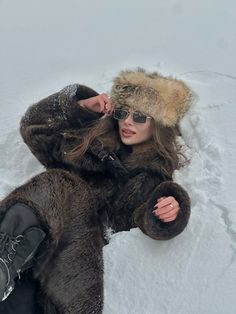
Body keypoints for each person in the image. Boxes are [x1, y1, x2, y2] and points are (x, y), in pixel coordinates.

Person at [0, 68, 194, 313]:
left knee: (61, 182)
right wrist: (81, 106)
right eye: (123, 112)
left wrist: (171, 209)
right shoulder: (88, 148)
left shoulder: (149, 177)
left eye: (140, 117)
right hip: (26, 268)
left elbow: (145, 218)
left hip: (70, 278)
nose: (128, 122)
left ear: (158, 125)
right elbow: (34, 128)